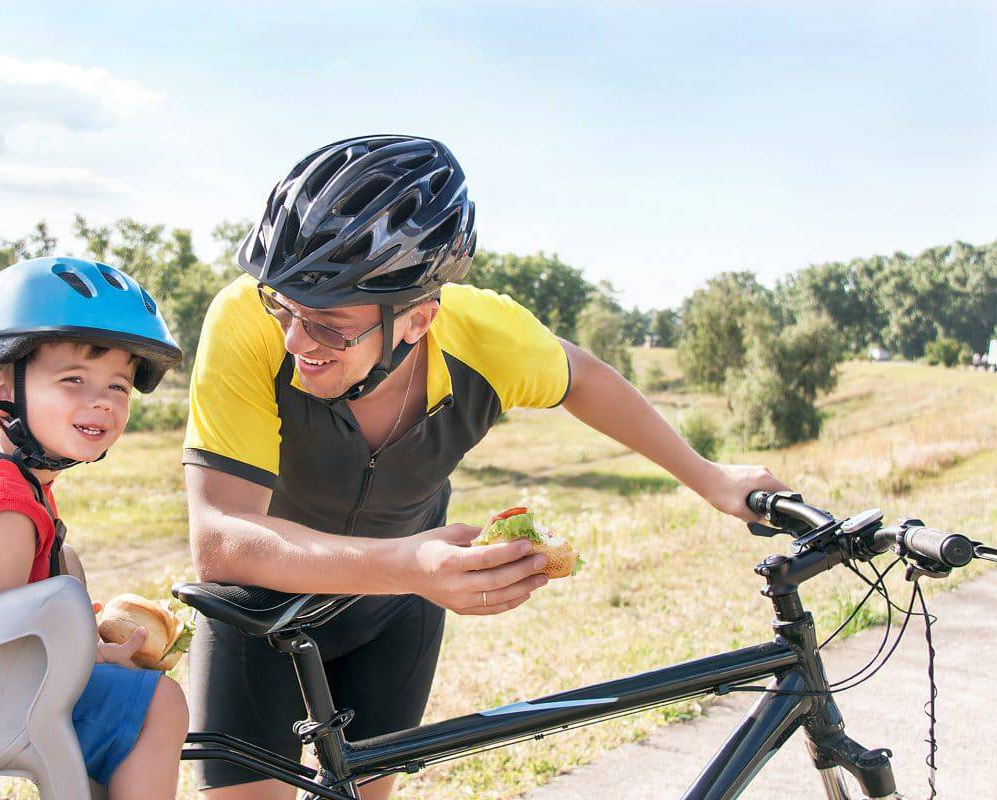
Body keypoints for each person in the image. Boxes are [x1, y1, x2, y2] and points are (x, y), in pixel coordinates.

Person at [183, 135, 789, 799]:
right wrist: (411, 565)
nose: (296, 338)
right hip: (258, 612)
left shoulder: (487, 337)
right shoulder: (244, 319)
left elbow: (582, 376)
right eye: (285, 307)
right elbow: (220, 538)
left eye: (328, 324)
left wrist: (713, 479)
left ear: (417, 320)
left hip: (393, 615)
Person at [0, 257, 190, 799]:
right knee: (159, 703)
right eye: (74, 380)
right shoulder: (8, 510)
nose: (102, 401)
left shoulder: (0, 474)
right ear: (0, 385)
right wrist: (86, 652)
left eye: (118, 386)